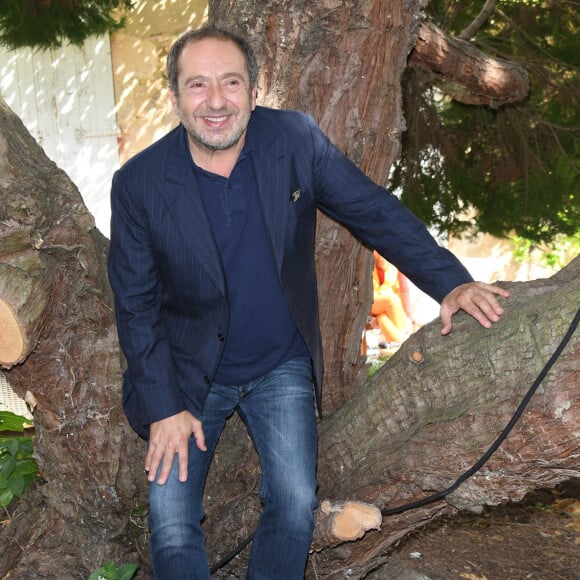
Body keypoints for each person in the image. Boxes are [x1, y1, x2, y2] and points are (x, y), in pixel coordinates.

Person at [107, 24, 509, 580]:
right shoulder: (139, 183)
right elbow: (135, 304)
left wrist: (451, 282)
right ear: (175, 96)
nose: (217, 101)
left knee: (295, 503)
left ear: (253, 89)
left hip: (280, 363)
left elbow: (374, 211)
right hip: (185, 374)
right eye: (198, 85)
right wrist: (164, 407)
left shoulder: (294, 140)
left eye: (231, 82)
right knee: (172, 524)